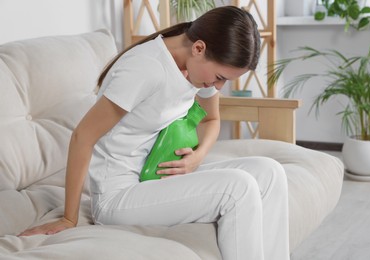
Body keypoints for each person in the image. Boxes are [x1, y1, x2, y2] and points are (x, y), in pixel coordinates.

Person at [19, 6, 290, 260]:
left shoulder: (198, 67)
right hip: (119, 196)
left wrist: (198, 157)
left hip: (158, 179)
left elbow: (211, 119)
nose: (217, 87)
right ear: (198, 48)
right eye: (220, 77)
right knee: (238, 188)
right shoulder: (145, 68)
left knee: (270, 172)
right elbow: (83, 137)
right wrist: (69, 218)